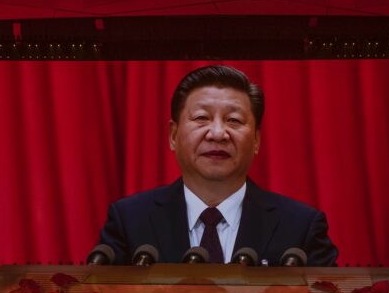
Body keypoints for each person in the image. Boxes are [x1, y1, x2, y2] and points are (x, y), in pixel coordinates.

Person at [96, 65, 339, 266]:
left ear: (256, 140)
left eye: (233, 120)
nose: (217, 133)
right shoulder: (129, 221)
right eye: (202, 118)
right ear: (173, 135)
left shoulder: (300, 227)